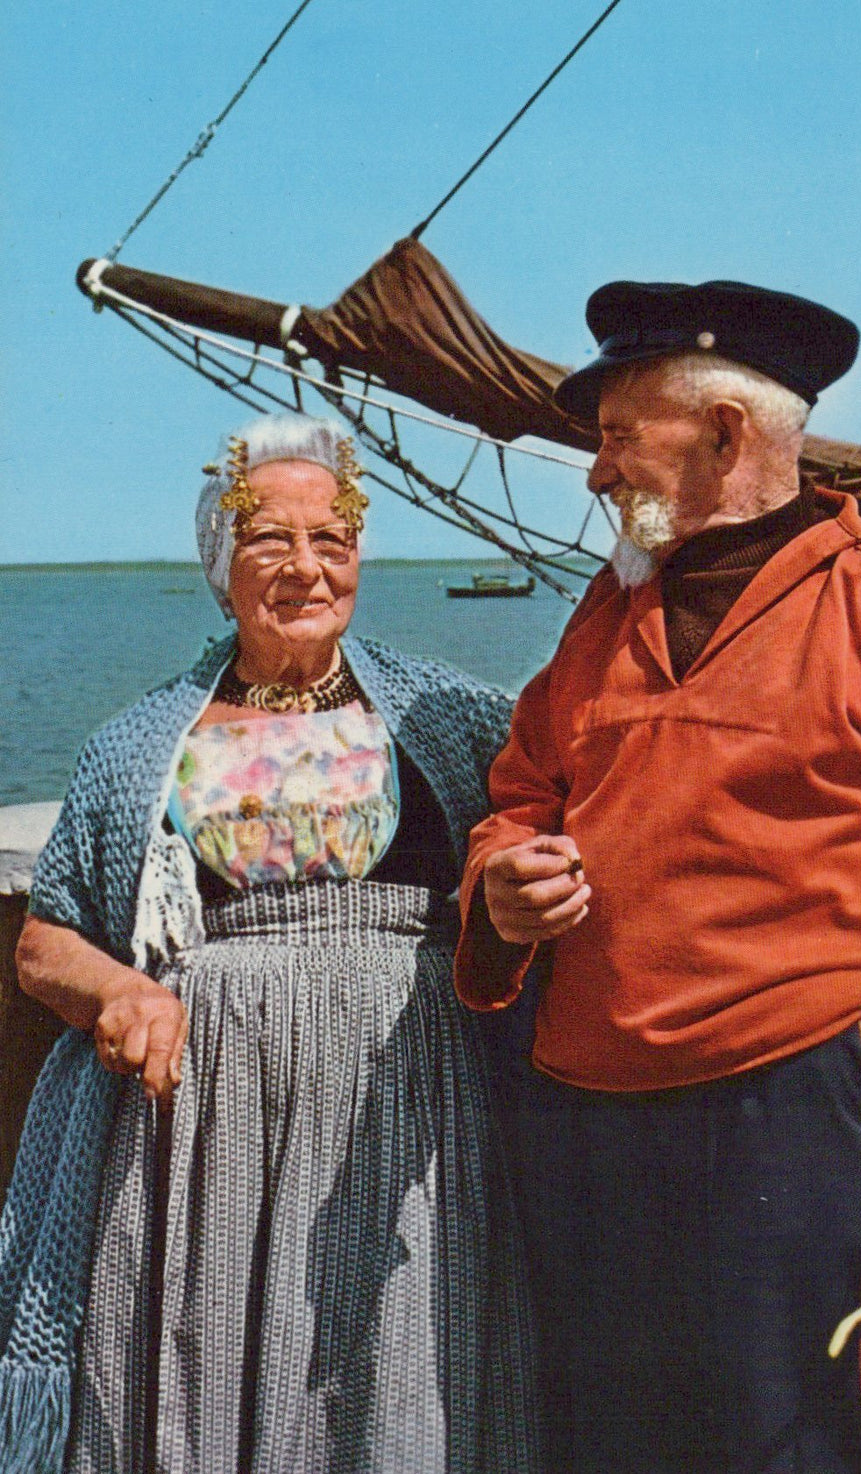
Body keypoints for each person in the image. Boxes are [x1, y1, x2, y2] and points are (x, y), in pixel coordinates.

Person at [454, 280, 861, 1474]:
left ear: (726, 433)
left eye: (618, 434)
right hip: (584, 1121)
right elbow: (519, 794)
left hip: (791, 1120)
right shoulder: (606, 610)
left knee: (791, 1450)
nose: (594, 471)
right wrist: (501, 885)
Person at [1, 412, 538, 1473]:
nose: (305, 568)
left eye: (331, 541)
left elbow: (567, 790)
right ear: (221, 561)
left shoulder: (450, 716)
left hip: (407, 1117)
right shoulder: (141, 744)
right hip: (212, 1131)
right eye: (269, 540)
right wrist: (121, 993)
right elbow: (43, 942)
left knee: (400, 1379)